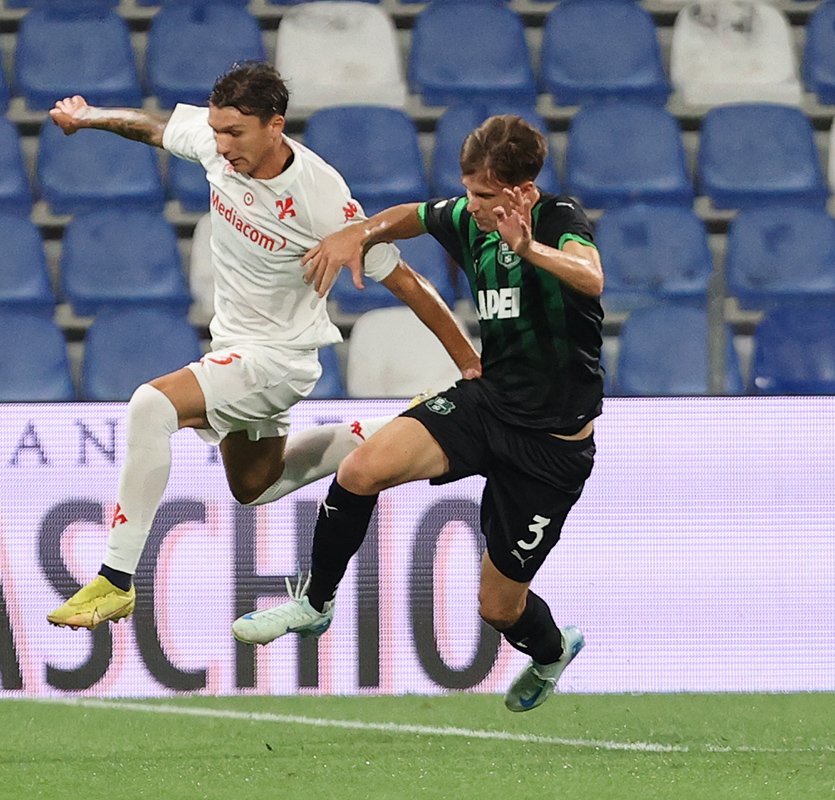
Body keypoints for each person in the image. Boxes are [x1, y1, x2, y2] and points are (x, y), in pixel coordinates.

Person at [46, 62, 481, 631]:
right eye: (218, 132)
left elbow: (406, 281)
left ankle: (115, 579)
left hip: (277, 360)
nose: (222, 146)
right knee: (256, 486)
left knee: (150, 406)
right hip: (235, 348)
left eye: (235, 134)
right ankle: (385, 434)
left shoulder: (321, 197)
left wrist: (472, 364)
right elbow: (150, 127)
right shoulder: (215, 143)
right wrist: (88, 117)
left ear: (275, 126)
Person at [232, 115, 604, 713]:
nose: (472, 205)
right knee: (359, 471)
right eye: (469, 190)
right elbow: (415, 215)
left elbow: (591, 277)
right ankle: (315, 603)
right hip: (489, 404)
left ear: (523, 193)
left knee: (498, 607)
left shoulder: (558, 220)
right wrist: (362, 233)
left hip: (552, 450)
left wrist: (528, 249)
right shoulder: (467, 219)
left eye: (484, 195)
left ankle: (553, 650)